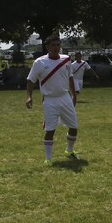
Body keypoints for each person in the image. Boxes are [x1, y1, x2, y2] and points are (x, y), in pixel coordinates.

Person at [25, 36, 79, 165]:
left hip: (65, 97)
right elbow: (30, 80)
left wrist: (73, 94)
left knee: (74, 126)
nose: (55, 47)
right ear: (47, 47)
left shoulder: (66, 59)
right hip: (50, 100)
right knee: (50, 130)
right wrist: (29, 96)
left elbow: (70, 77)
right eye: (53, 45)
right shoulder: (39, 62)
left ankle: (69, 150)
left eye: (58, 45)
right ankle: (48, 158)